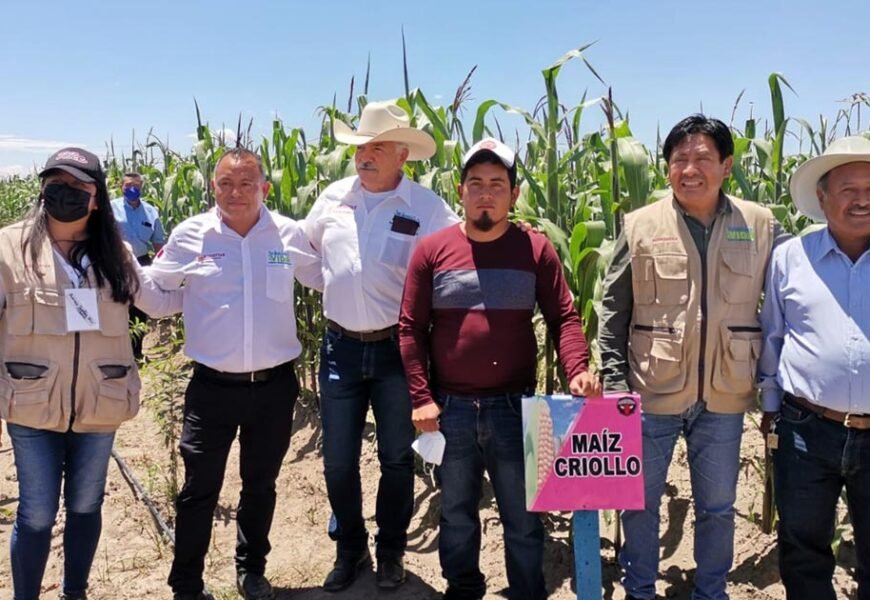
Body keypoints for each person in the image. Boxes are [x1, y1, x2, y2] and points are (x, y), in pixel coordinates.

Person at [398, 138, 601, 600]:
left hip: (515, 410)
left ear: (514, 193)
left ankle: (527, 591)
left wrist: (578, 368)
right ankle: (464, 589)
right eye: (476, 184)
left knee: (523, 516)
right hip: (450, 410)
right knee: (455, 514)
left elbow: (563, 317)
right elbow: (410, 329)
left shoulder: (535, 249)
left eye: (497, 184)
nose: (485, 193)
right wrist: (421, 397)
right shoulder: (432, 251)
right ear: (460, 189)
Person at [598, 114, 781, 600]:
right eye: (680, 159)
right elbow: (613, 309)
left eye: (703, 158)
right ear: (666, 169)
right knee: (640, 503)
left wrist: (774, 387)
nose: (690, 169)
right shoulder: (639, 226)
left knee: (719, 507)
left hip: (725, 390)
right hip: (651, 388)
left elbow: (790, 303)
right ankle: (639, 590)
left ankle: (711, 591)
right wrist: (615, 384)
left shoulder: (761, 224)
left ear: (727, 165)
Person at [0, 147, 181, 600]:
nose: (64, 193)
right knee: (37, 513)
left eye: (78, 186)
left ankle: (74, 592)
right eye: (55, 183)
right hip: (32, 402)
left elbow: (156, 301)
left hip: (101, 400)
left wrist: (215, 279)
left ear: (96, 197)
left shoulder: (113, 251)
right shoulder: (8, 247)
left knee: (85, 505)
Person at [146, 148, 322, 600]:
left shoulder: (288, 234)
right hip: (211, 389)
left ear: (265, 188)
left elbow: (324, 277)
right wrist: (119, 269)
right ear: (213, 187)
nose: (236, 192)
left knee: (259, 487)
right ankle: (186, 584)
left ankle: (252, 571)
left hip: (274, 387)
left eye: (247, 183)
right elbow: (157, 289)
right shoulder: (191, 235)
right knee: (198, 491)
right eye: (226, 183)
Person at [304, 100, 460, 592]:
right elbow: (307, 257)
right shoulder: (332, 198)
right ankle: (350, 549)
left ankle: (391, 551)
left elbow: (456, 263)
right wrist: (337, 288)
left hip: (398, 351)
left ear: (402, 156)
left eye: (375, 147)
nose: (364, 155)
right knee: (337, 459)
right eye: (359, 147)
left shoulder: (427, 208)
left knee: (396, 456)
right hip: (339, 349)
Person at [758, 135, 870, 600]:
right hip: (805, 428)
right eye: (848, 189)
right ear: (822, 197)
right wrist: (769, 409)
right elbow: (772, 335)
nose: (862, 200)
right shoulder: (791, 258)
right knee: (803, 550)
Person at [111, 172, 166, 359]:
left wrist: (163, 267)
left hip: (142, 262)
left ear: (141, 188)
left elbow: (158, 241)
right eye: (128, 186)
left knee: (140, 307)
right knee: (116, 304)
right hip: (116, 261)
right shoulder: (110, 209)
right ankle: (118, 352)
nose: (132, 190)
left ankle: (136, 352)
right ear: (121, 188)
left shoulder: (151, 211)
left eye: (136, 186)